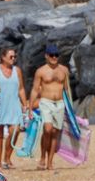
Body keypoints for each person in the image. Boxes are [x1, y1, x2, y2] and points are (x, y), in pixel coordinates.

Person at [29, 44, 72, 172]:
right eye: (51, 55)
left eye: (56, 55)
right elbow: (35, 90)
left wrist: (70, 107)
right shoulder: (41, 71)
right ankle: (42, 157)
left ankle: (50, 161)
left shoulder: (64, 70)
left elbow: (67, 89)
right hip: (46, 102)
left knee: (55, 133)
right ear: (46, 56)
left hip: (59, 103)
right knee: (47, 129)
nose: (54, 57)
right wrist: (30, 107)